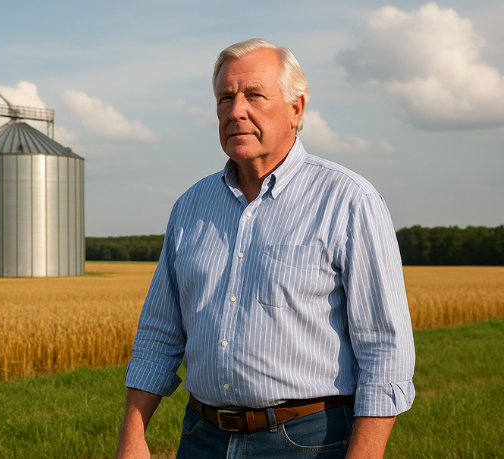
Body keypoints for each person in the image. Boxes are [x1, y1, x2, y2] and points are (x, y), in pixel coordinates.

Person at [115, 38, 415, 459]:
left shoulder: (349, 201)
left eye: (254, 94)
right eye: (225, 97)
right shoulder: (190, 207)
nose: (236, 110)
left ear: (297, 109)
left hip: (308, 441)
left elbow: (385, 348)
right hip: (202, 438)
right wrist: (133, 435)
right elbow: (159, 334)